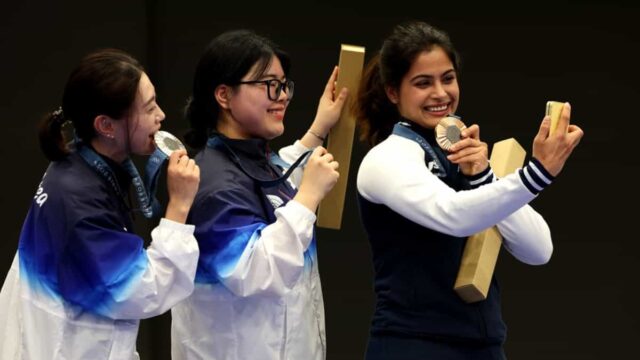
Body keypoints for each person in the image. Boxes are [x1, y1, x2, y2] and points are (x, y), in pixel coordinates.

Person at [354, 21, 583, 359]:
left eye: (447, 78)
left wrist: (483, 176)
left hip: (484, 346)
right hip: (412, 345)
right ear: (392, 92)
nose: (440, 93)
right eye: (422, 83)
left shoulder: (465, 157)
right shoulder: (386, 158)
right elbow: (455, 215)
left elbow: (538, 249)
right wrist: (538, 173)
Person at [0, 49, 201, 360]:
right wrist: (179, 207)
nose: (161, 115)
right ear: (106, 126)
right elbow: (144, 291)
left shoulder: (78, 161)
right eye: (148, 108)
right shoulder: (80, 199)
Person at [170, 29, 347, 360]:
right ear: (224, 96)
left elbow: (275, 181)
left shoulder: (255, 157)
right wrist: (308, 196)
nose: (282, 96)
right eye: (269, 85)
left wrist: (317, 131)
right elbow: (257, 272)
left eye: (283, 85)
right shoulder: (212, 181)